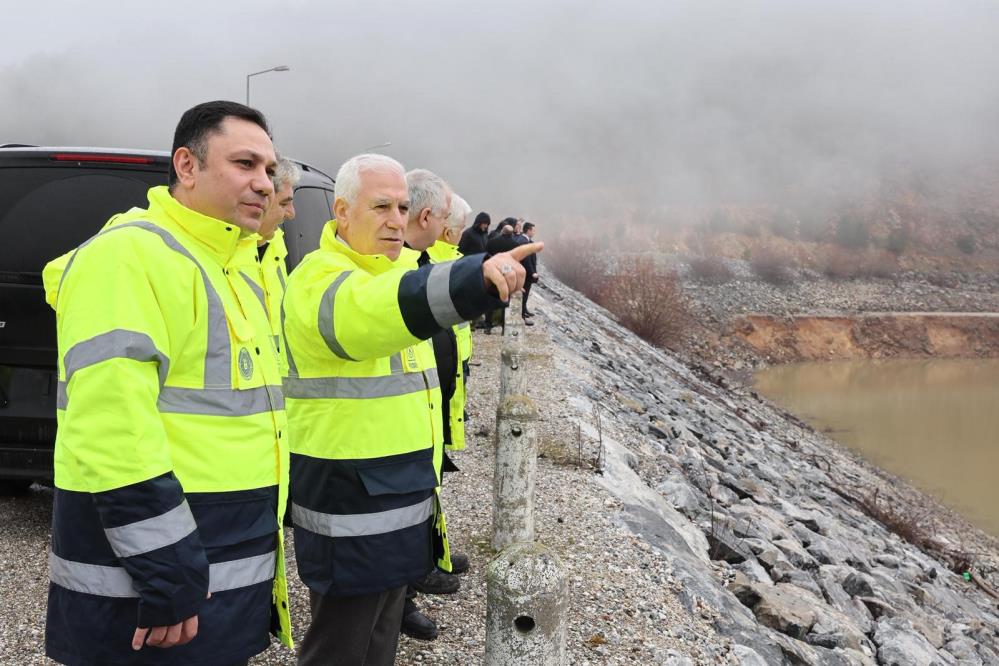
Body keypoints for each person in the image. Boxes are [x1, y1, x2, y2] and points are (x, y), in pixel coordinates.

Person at [41, 100, 292, 666]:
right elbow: (113, 430)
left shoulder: (230, 266)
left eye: (269, 170)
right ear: (186, 165)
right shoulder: (129, 257)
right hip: (148, 595)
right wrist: (169, 572)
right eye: (245, 164)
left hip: (215, 580)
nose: (264, 183)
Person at [281, 154, 541, 665]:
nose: (396, 220)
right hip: (348, 508)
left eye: (401, 207)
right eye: (381, 207)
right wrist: (474, 282)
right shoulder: (320, 279)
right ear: (341, 211)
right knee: (340, 648)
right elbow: (376, 310)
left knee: (380, 643)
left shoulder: (396, 269)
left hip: (399, 499)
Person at [398, 173, 476, 641]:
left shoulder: (426, 261)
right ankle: (405, 590)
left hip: (431, 404)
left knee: (426, 493)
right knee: (404, 507)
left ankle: (421, 567)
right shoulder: (404, 268)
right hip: (403, 417)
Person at [246, 157, 300, 375]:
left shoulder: (276, 246)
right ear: (262, 200)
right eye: (284, 203)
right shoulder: (226, 253)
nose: (291, 213)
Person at [519, 222, 539, 320]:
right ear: (528, 230)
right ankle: (522, 313)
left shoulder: (528, 241)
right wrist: (532, 272)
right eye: (533, 230)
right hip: (525, 272)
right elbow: (526, 259)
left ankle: (524, 309)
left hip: (527, 272)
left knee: (526, 293)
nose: (534, 232)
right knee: (523, 293)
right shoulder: (523, 241)